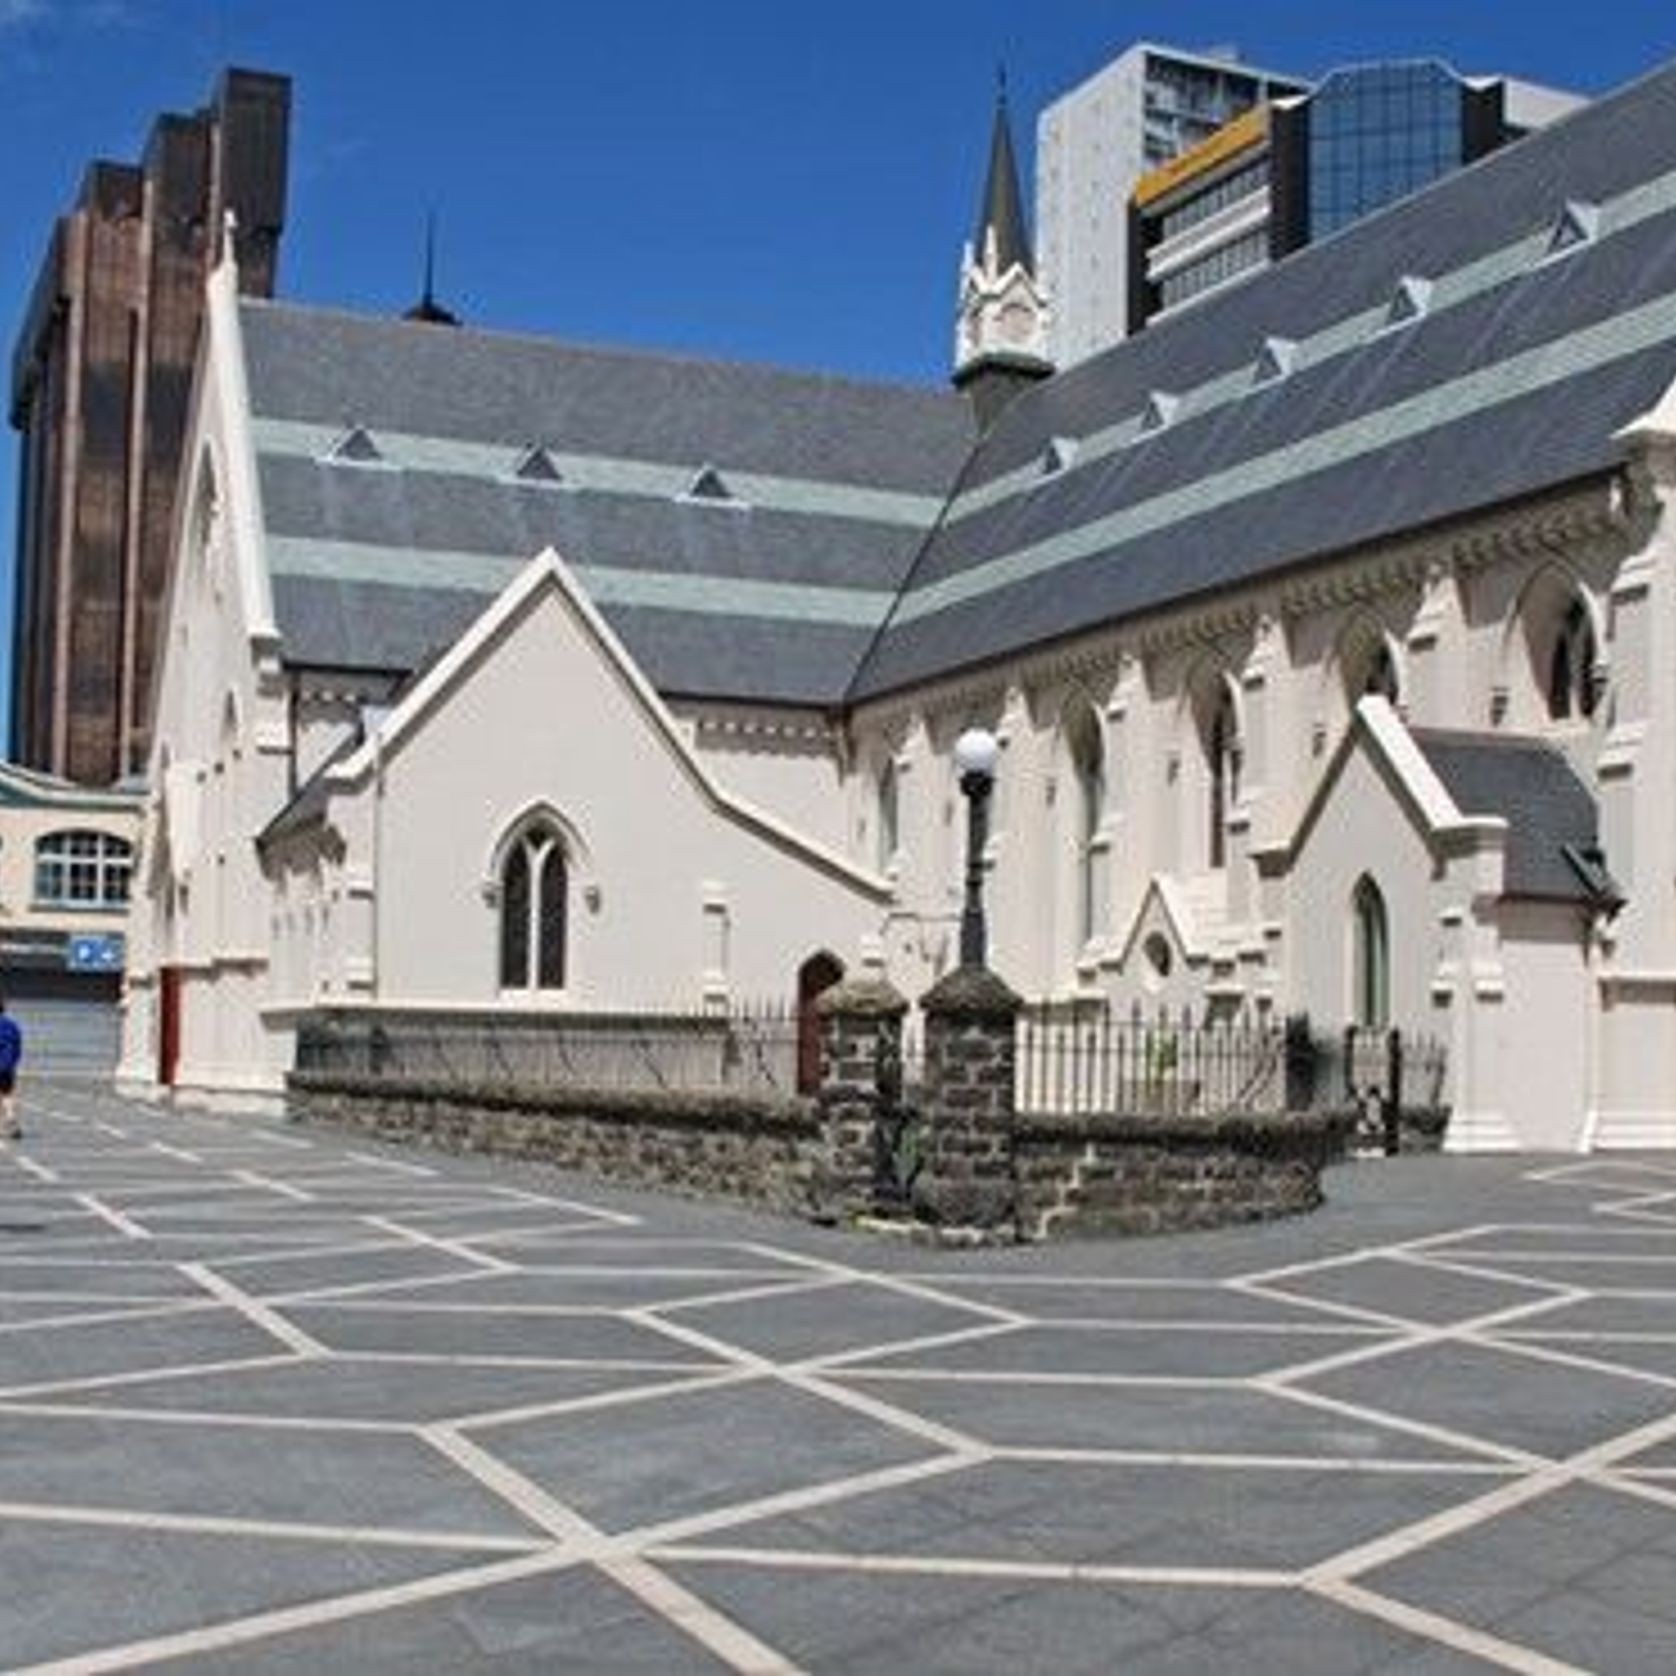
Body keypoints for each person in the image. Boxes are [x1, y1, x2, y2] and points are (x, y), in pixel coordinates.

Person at [0, 997, 22, 1141]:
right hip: (6, 1066)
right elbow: (17, 1047)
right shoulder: (12, 1025)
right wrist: (13, 1063)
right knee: (6, 1094)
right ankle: (11, 1118)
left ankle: (3, 1128)